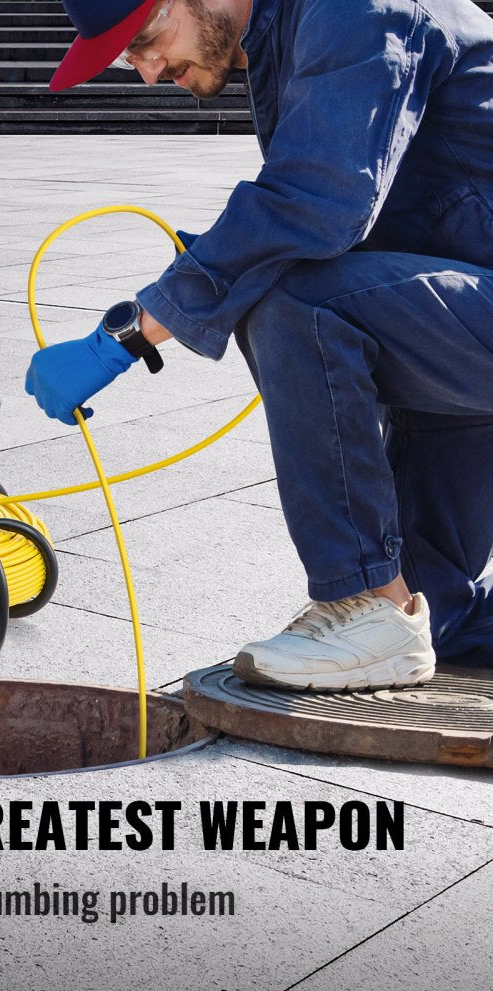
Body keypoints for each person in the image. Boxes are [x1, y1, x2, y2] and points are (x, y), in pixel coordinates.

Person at [25, 0, 493, 690]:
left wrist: (125, 336)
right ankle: (401, 614)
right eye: (131, 60)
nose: (149, 72)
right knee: (442, 620)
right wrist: (216, 265)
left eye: (148, 41)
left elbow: (318, 201)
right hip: (463, 321)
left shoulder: (352, 9)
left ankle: (368, 605)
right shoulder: (290, 36)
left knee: (292, 302)